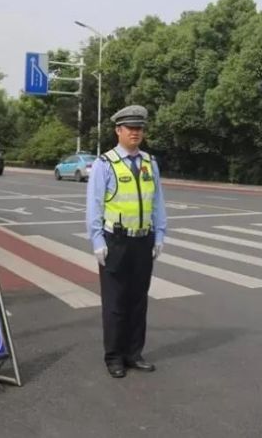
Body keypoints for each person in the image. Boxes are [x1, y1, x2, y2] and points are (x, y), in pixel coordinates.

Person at [85, 104, 168, 378]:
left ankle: (134, 353)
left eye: (139, 128)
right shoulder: (105, 163)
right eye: (130, 128)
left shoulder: (149, 162)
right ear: (118, 130)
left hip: (143, 241)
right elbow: (94, 205)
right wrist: (97, 240)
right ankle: (114, 357)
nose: (136, 133)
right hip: (116, 241)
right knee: (115, 302)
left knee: (137, 300)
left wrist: (160, 234)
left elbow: (157, 202)